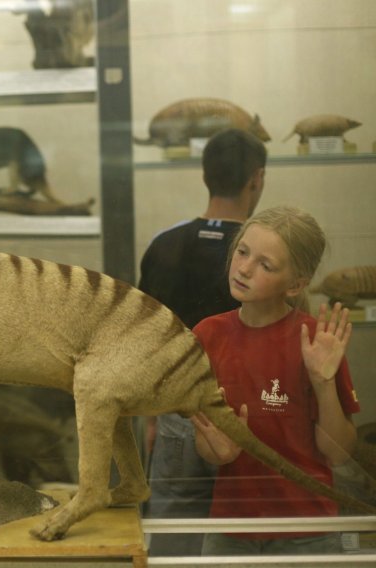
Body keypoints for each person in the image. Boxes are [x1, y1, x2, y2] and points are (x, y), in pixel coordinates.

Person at [191, 206, 359, 555]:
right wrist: (216, 450)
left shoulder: (315, 341)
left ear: (296, 284)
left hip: (307, 529)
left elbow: (339, 452)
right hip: (231, 527)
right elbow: (206, 444)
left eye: (265, 265)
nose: (245, 269)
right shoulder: (208, 335)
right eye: (242, 252)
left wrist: (323, 383)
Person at [139, 128, 267, 556]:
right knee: (254, 541)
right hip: (250, 417)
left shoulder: (164, 245)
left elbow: (146, 340)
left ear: (204, 175)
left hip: (179, 413)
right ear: (257, 179)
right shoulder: (266, 256)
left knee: (175, 541)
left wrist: (153, 418)